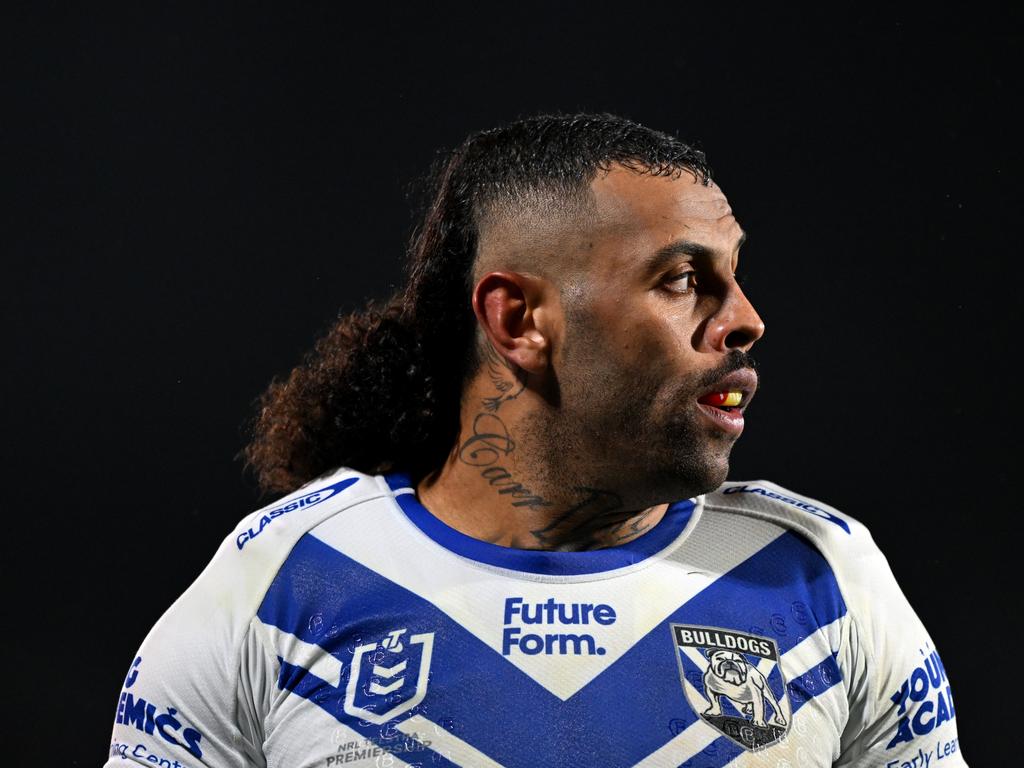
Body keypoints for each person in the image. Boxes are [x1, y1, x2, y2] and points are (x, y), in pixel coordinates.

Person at [104, 113, 966, 767]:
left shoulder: (824, 580)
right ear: (519, 320)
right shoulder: (283, 583)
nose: (745, 320)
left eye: (733, 275)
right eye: (681, 279)